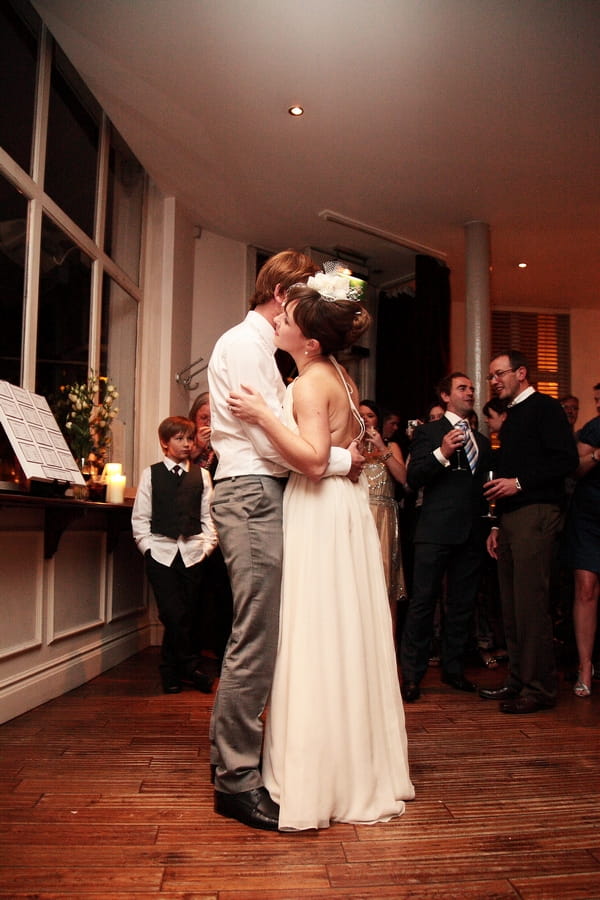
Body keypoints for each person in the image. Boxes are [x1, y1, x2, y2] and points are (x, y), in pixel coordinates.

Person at [228, 271, 414, 830]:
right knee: (345, 634)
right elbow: (343, 448)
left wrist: (262, 414)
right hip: (346, 507)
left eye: (288, 319)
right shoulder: (341, 377)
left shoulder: (309, 382)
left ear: (308, 342)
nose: (278, 318)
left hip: (320, 505)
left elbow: (311, 458)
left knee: (315, 634)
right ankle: (354, 764)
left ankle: (317, 776)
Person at [208, 250, 363, 832]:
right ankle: (236, 781)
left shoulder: (261, 350)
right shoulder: (245, 346)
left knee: (260, 632)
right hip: (250, 492)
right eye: (300, 300)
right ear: (283, 296)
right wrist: (344, 458)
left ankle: (229, 762)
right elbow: (280, 443)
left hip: (260, 490)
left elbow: (291, 436)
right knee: (257, 636)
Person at [481, 350, 578, 713]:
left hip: (536, 514)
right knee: (511, 605)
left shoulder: (545, 408)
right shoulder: (515, 414)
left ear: (521, 373)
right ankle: (518, 681)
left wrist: (518, 484)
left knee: (531, 604)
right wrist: (495, 524)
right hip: (511, 520)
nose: (494, 381)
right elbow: (508, 471)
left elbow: (565, 460)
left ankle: (539, 689)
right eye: (492, 376)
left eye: (499, 374)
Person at [399, 372, 491, 702]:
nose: (470, 393)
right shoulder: (429, 432)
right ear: (445, 396)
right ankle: (412, 676)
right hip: (435, 531)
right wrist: (442, 452)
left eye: (471, 389)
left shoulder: (481, 440)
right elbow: (414, 476)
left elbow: (483, 488)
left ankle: (454, 670)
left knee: (462, 605)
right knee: (423, 603)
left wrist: (490, 525)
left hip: (471, 532)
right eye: (463, 388)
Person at [131, 416, 218, 694]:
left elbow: (209, 517)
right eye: (179, 439)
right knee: (172, 613)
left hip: (192, 553)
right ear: (164, 443)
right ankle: (190, 668)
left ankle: (171, 672)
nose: (186, 444)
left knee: (188, 615)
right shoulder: (151, 474)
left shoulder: (202, 476)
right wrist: (147, 548)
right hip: (161, 554)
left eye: (189, 439)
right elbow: (140, 517)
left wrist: (207, 547)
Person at [188, 391, 232, 663]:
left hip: (221, 526)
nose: (208, 423)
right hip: (191, 527)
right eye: (204, 417)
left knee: (222, 586)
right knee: (193, 589)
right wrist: (196, 450)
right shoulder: (182, 443)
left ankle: (220, 647)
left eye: (214, 418)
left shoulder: (226, 448)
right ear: (194, 419)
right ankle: (193, 650)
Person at [359, 399, 408, 637]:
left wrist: (380, 445)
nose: (366, 419)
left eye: (370, 415)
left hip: (384, 519)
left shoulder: (391, 446)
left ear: (377, 419)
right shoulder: (352, 447)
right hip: (359, 516)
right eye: (361, 415)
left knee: (385, 581)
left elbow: (403, 478)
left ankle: (388, 646)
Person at [567, 414, 600, 696]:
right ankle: (585, 666)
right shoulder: (595, 427)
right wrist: (598, 455)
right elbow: (575, 469)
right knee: (586, 589)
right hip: (589, 516)